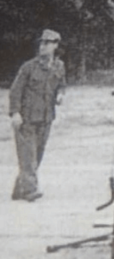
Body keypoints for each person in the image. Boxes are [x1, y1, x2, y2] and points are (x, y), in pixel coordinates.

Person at [9, 29, 66, 202]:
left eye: (47, 43)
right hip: (27, 118)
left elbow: (62, 84)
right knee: (28, 155)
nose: (43, 46)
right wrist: (15, 113)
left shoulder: (59, 66)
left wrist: (61, 94)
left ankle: (20, 188)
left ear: (56, 45)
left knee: (37, 155)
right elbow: (15, 91)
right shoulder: (29, 67)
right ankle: (30, 191)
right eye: (41, 43)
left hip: (46, 118)